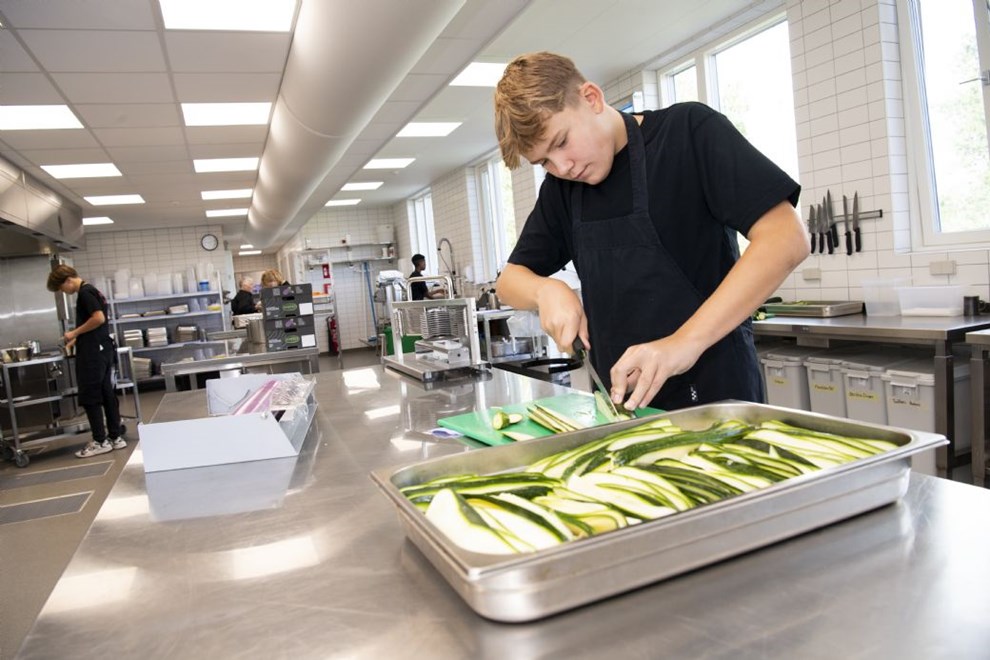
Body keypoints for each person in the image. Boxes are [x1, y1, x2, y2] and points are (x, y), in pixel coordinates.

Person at [493, 52, 809, 413]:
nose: (562, 166)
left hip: (716, 398)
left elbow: (787, 237)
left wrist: (683, 343)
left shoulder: (689, 132)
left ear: (591, 98)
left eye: (562, 141)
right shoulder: (562, 190)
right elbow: (509, 280)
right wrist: (545, 290)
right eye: (544, 161)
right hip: (623, 410)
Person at [46, 265, 126, 458]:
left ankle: (99, 441)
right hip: (102, 348)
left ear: (67, 280)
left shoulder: (84, 293)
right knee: (106, 393)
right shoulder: (94, 290)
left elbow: (98, 319)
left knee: (91, 396)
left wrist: (74, 332)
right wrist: (75, 340)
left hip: (92, 354)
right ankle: (115, 437)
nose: (64, 292)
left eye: (61, 289)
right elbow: (97, 325)